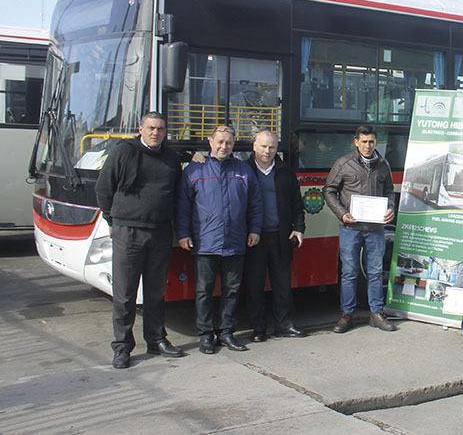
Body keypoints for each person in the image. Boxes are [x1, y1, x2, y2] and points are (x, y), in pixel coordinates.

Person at [96, 112, 184, 369]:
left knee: (156, 292)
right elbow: (103, 188)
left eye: (160, 129)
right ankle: (122, 347)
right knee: (125, 294)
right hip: (128, 232)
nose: (156, 133)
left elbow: (177, 194)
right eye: (151, 128)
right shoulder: (123, 152)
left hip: (159, 232)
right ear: (141, 129)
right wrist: (112, 221)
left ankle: (156, 339)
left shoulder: (170, 158)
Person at [176, 125, 263, 354]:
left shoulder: (243, 170)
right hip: (205, 242)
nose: (224, 146)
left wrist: (254, 230)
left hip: (236, 242)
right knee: (204, 291)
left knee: (231, 290)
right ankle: (205, 335)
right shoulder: (194, 171)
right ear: (210, 141)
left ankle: (226, 333)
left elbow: (255, 204)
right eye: (220, 142)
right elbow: (183, 207)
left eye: (229, 143)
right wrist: (183, 234)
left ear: (234, 145)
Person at [323, 125, 398, 334]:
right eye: (364, 142)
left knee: (374, 272)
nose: (368, 146)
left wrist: (390, 207)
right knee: (349, 273)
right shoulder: (344, 163)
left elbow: (390, 190)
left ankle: (376, 313)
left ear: (376, 143)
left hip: (375, 229)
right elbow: (329, 191)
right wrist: (341, 213)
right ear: (356, 142)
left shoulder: (383, 164)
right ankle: (347, 315)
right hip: (350, 228)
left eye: (371, 142)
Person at [244, 130, 307, 342]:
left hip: (280, 237)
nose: (267, 151)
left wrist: (299, 228)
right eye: (263, 146)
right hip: (254, 239)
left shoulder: (285, 172)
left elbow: (297, 205)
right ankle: (258, 328)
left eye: (271, 147)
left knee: (282, 285)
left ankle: (285, 324)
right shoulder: (244, 170)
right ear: (254, 146)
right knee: (254, 286)